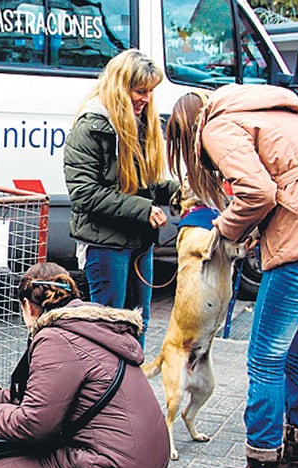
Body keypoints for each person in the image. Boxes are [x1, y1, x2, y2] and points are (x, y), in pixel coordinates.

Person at [165, 85, 298, 468]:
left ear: (187, 130)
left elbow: (258, 192)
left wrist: (225, 230)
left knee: (265, 360)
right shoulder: (279, 113)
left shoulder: (217, 126)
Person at [0, 262, 169, 468]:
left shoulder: (54, 340)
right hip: (147, 466)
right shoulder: (94, 325)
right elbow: (51, 395)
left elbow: (33, 424)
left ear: (28, 307)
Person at [63, 49, 179, 348]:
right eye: (141, 91)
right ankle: (105, 392)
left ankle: (130, 392)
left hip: (139, 242)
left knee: (138, 323)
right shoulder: (91, 127)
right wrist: (144, 209)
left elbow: (144, 185)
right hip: (105, 245)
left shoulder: (139, 123)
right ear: (120, 87)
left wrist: (178, 191)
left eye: (151, 91)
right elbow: (85, 194)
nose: (148, 99)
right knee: (108, 327)